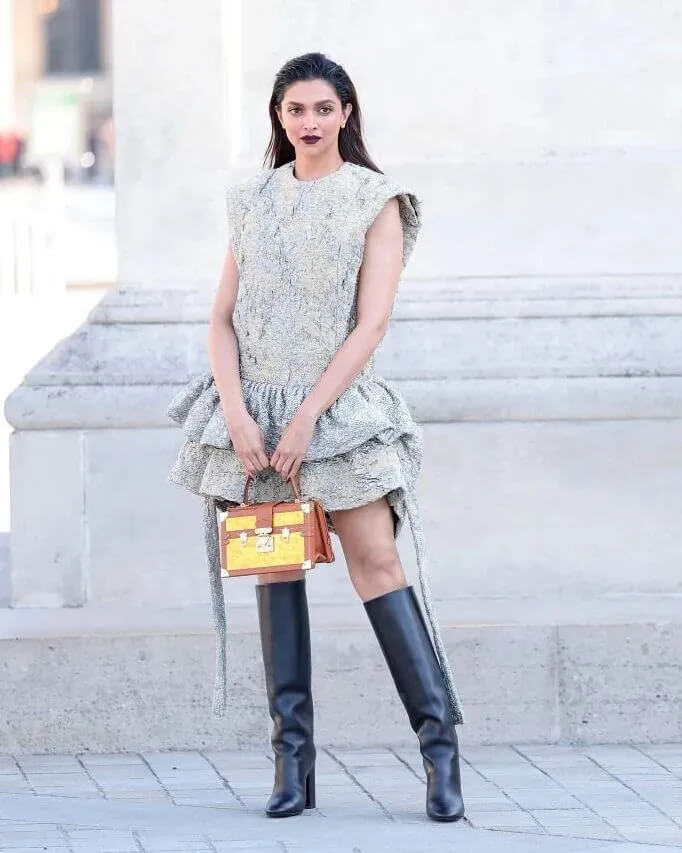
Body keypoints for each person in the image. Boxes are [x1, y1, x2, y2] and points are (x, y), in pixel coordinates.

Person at [166, 51, 466, 822]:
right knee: (275, 569)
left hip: (338, 414)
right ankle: (290, 762)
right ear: (278, 117)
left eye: (322, 109)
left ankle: (439, 748)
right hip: (256, 419)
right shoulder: (251, 200)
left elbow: (372, 324)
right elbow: (221, 316)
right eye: (294, 110)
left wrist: (308, 417)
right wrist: (236, 411)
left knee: (377, 563)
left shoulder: (376, 199)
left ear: (345, 114)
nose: (308, 122)